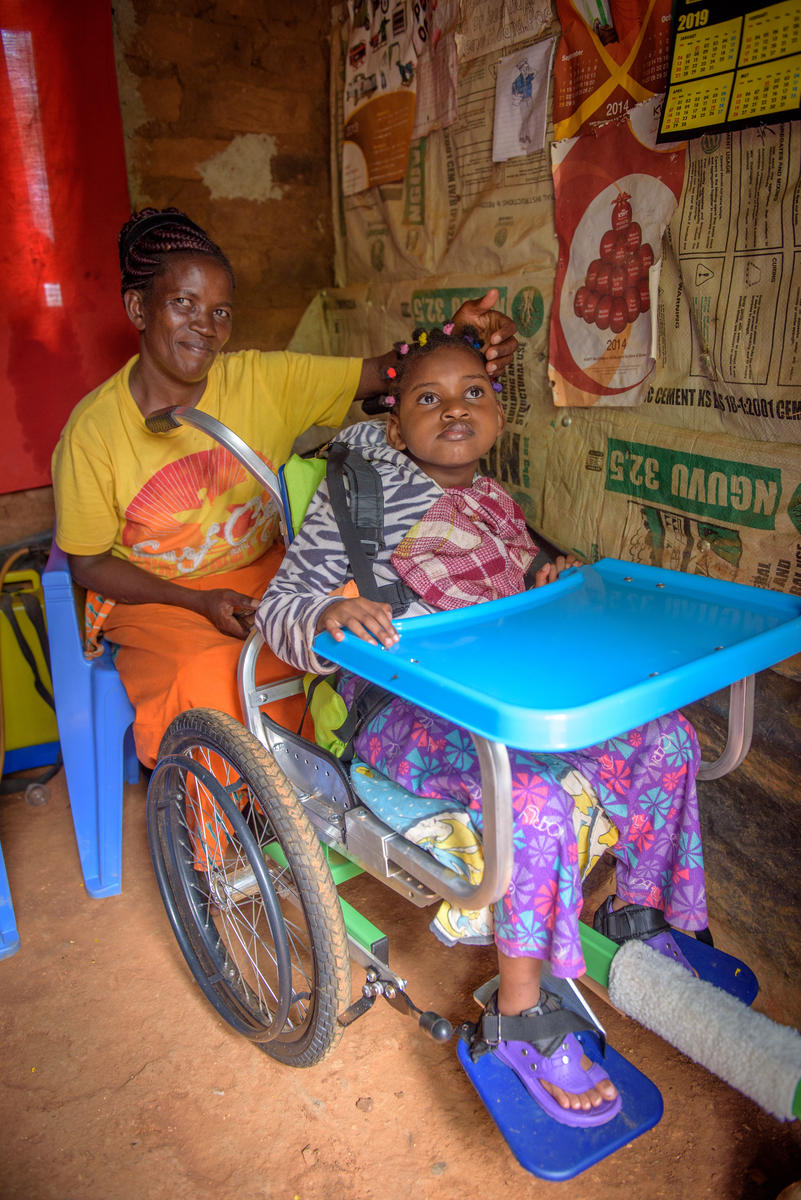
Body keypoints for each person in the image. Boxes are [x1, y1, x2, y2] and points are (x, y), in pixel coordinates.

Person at [257, 324, 708, 1128]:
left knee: (668, 738)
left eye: (474, 392)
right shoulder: (360, 501)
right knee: (529, 805)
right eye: (428, 399)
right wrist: (331, 608)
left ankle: (635, 914)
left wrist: (545, 573)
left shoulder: (497, 500)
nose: (455, 410)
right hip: (413, 712)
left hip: (523, 694)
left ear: (497, 412)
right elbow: (278, 607)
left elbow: (515, 581)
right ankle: (522, 1017)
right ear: (397, 426)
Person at [50, 208, 518, 768]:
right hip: (157, 594)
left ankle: (337, 798)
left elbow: (390, 374)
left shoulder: (260, 379)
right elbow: (88, 563)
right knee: (207, 674)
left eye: (220, 311)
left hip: (265, 571)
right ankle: (233, 831)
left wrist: (456, 335)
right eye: (183, 304)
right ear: (138, 308)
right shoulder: (92, 430)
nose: (205, 325)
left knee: (352, 638)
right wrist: (198, 600)